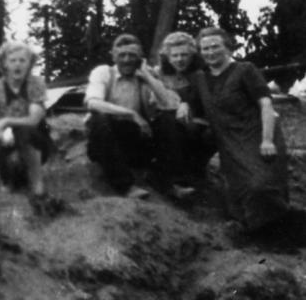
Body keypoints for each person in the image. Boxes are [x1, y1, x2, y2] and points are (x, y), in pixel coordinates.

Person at [191, 26, 297, 237]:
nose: (210, 52)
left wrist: (267, 140)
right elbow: (196, 107)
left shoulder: (245, 70)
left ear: (228, 48)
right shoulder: (200, 79)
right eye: (205, 49)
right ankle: (258, 237)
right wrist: (185, 105)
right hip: (229, 142)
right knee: (240, 192)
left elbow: (266, 106)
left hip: (257, 135)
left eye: (215, 46)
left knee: (262, 185)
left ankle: (282, 232)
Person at [84, 33, 189, 199]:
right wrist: (132, 114)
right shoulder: (103, 72)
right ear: (113, 56)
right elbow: (93, 103)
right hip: (106, 142)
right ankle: (124, 186)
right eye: (122, 55)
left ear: (140, 57)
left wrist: (147, 77)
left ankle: (164, 181)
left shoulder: (144, 76)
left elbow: (171, 105)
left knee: (168, 120)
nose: (126, 60)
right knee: (100, 118)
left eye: (132, 55)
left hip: (135, 143)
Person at [0, 40, 61, 215]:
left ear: (30, 63)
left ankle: (37, 183)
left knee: (25, 131)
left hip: (36, 138)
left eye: (22, 60)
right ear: (4, 63)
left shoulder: (36, 84)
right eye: (13, 60)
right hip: (8, 139)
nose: (17, 64)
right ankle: (7, 181)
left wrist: (7, 121)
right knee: (1, 147)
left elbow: (34, 119)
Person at [155, 31, 216, 179]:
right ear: (167, 57)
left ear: (192, 55)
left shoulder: (201, 74)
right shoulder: (159, 74)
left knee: (211, 135)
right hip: (168, 120)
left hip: (199, 122)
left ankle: (198, 170)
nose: (179, 59)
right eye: (174, 56)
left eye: (184, 55)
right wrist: (180, 103)